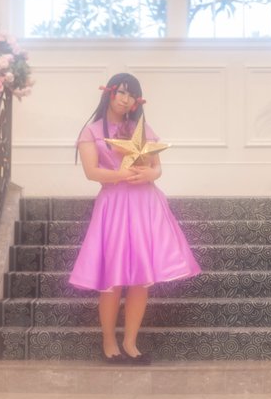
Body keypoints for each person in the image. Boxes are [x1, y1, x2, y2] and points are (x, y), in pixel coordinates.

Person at [68, 73, 201, 364]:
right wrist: (122, 175)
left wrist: (150, 174)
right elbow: (91, 172)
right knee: (112, 279)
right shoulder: (91, 132)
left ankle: (130, 342)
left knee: (141, 278)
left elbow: (157, 168)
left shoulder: (142, 130)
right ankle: (108, 340)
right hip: (114, 206)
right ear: (109, 93)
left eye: (132, 95)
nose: (126, 99)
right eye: (122, 92)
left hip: (145, 205)